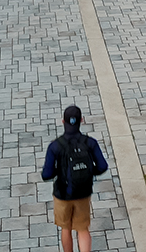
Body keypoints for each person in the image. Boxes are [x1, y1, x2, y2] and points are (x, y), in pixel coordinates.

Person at [42, 105, 109, 252]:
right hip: (83, 193)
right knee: (82, 229)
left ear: (63, 121)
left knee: (66, 228)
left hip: (62, 194)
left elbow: (46, 175)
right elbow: (103, 166)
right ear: (82, 121)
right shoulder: (90, 143)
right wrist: (89, 172)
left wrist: (59, 171)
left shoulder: (55, 146)